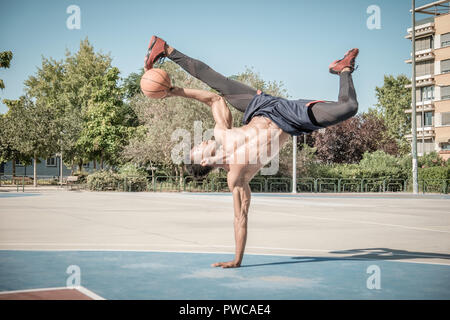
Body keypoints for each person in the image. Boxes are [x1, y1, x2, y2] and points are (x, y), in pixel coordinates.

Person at [144, 36, 359, 268]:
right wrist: (237, 259)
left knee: (216, 81)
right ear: (204, 162)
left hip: (261, 106)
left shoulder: (221, 132)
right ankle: (343, 69)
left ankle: (165, 48)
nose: (201, 143)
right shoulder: (236, 176)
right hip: (290, 118)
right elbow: (240, 218)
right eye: (198, 149)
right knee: (349, 108)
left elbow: (214, 99)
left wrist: (172, 91)